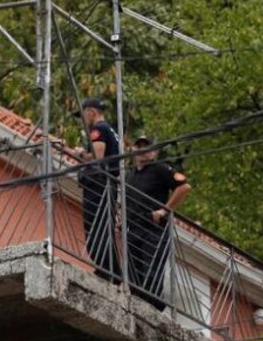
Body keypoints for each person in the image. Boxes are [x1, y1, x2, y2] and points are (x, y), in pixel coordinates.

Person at [127, 135, 191, 311]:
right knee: (133, 273)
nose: (142, 150)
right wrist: (120, 219)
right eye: (139, 146)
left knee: (151, 272)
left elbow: (184, 187)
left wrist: (164, 210)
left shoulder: (159, 169)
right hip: (133, 228)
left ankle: (152, 308)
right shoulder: (130, 175)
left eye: (146, 147)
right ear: (133, 150)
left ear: (154, 153)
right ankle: (136, 307)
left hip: (153, 228)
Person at [74, 97, 122, 281]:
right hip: (107, 184)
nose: (83, 120)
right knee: (102, 226)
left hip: (99, 185)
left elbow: (97, 157)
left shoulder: (99, 129)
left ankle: (108, 270)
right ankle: (109, 270)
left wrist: (81, 154)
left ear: (91, 112)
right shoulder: (110, 130)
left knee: (95, 226)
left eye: (83, 115)